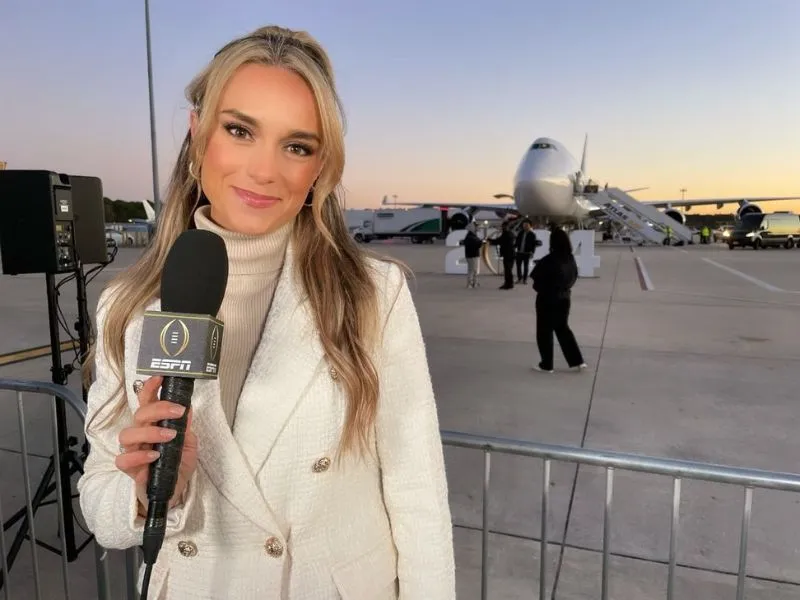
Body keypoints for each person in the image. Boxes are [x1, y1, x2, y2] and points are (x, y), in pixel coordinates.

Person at [77, 25, 455, 599]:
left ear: (319, 168)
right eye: (240, 130)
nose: (264, 171)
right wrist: (149, 493)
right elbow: (99, 497)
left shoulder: (373, 294)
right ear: (198, 133)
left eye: (297, 146)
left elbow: (417, 490)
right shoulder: (126, 307)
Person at [530, 227, 586, 373]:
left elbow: (537, 282)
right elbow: (574, 276)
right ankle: (577, 360)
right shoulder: (570, 259)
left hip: (547, 299)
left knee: (544, 331)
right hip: (565, 298)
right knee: (563, 328)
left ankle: (546, 364)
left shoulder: (548, 260)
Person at [489, 220, 517, 289]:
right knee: (508, 270)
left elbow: (499, 241)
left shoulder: (507, 234)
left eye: (504, 226)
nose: (502, 228)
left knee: (508, 270)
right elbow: (500, 240)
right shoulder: (510, 233)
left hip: (508, 254)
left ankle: (508, 284)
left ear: (507, 226)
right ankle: (509, 283)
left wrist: (490, 240)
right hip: (510, 254)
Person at [460, 222, 483, 288]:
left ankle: (474, 282)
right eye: (476, 227)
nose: (477, 228)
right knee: (472, 270)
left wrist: (480, 242)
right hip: (472, 255)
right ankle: (470, 283)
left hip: (472, 255)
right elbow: (477, 244)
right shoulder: (471, 236)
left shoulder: (471, 235)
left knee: (474, 269)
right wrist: (481, 242)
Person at [514, 220, 537, 284]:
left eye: (526, 225)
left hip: (527, 253)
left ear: (530, 226)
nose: (525, 226)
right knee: (518, 266)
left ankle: (525, 279)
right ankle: (519, 278)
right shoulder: (520, 233)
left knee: (525, 267)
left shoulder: (532, 234)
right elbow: (517, 241)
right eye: (524, 225)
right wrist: (514, 247)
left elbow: (534, 244)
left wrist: (532, 252)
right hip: (519, 252)